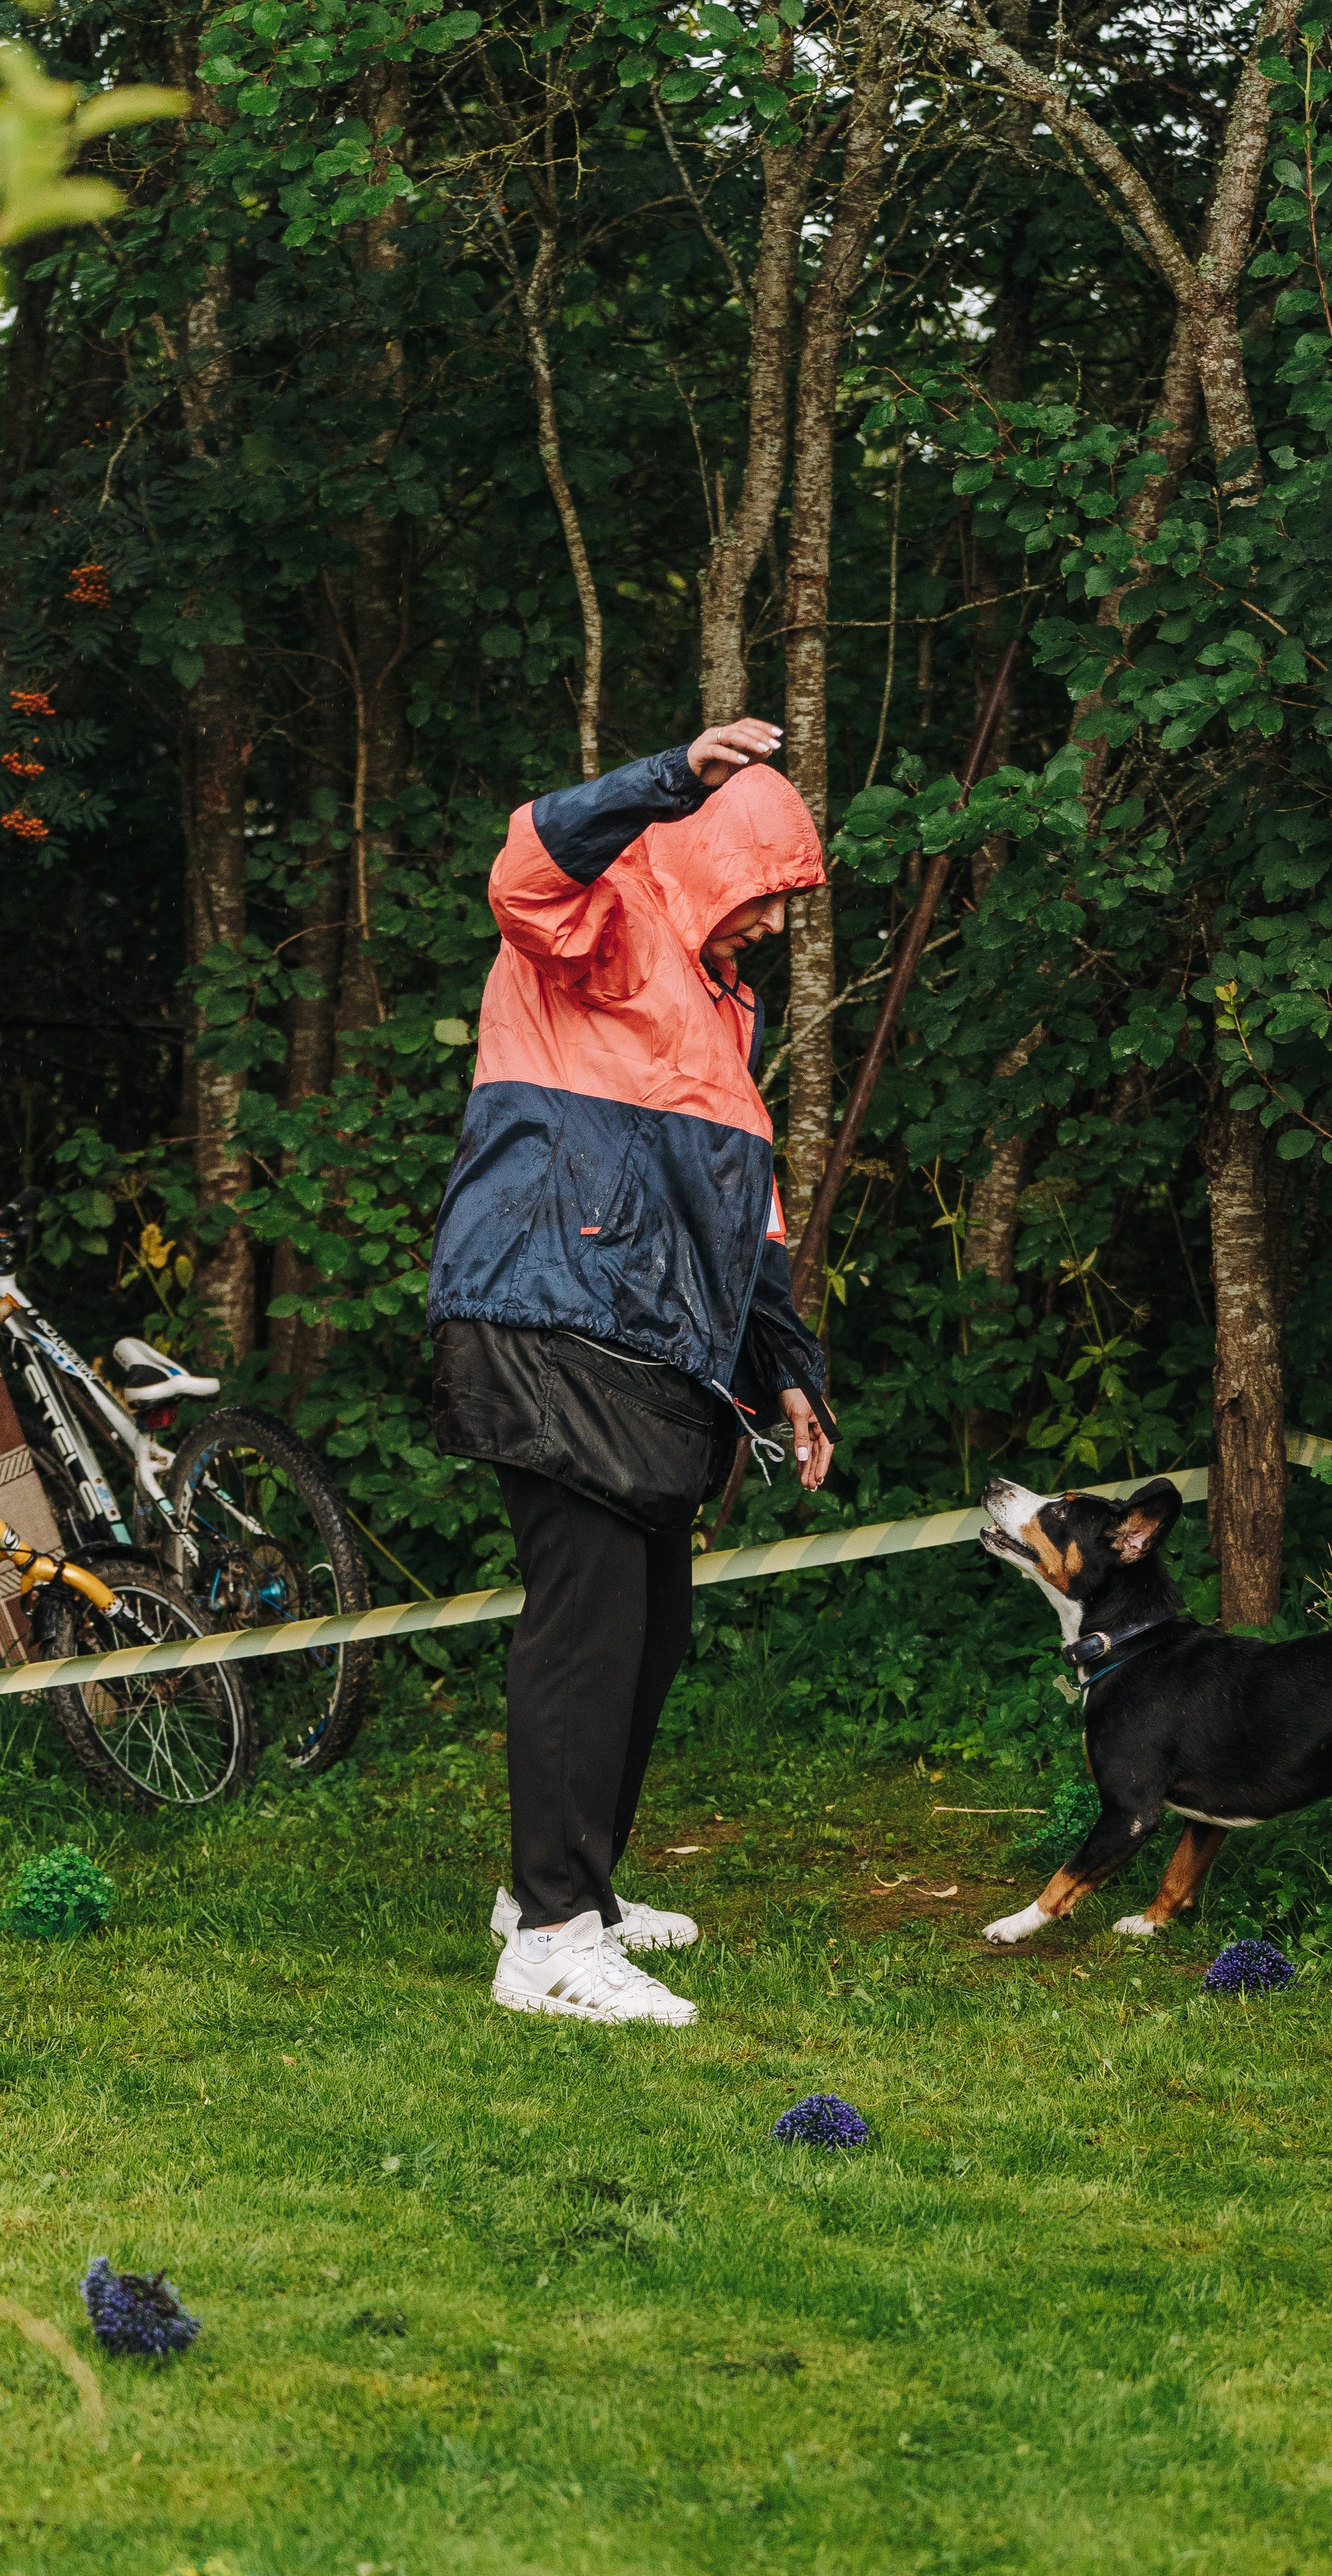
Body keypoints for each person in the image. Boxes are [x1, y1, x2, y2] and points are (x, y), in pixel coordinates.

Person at [428, 718, 836, 2028]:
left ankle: (565, 1895)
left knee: (650, 1629)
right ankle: (549, 1942)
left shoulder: (727, 1005)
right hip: (548, 1309)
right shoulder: (601, 920)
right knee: (588, 1623)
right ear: (709, 857)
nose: (776, 922)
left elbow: (746, 1210)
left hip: (646, 1338)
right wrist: (671, 779)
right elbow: (523, 868)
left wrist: (785, 1362)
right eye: (765, 891)